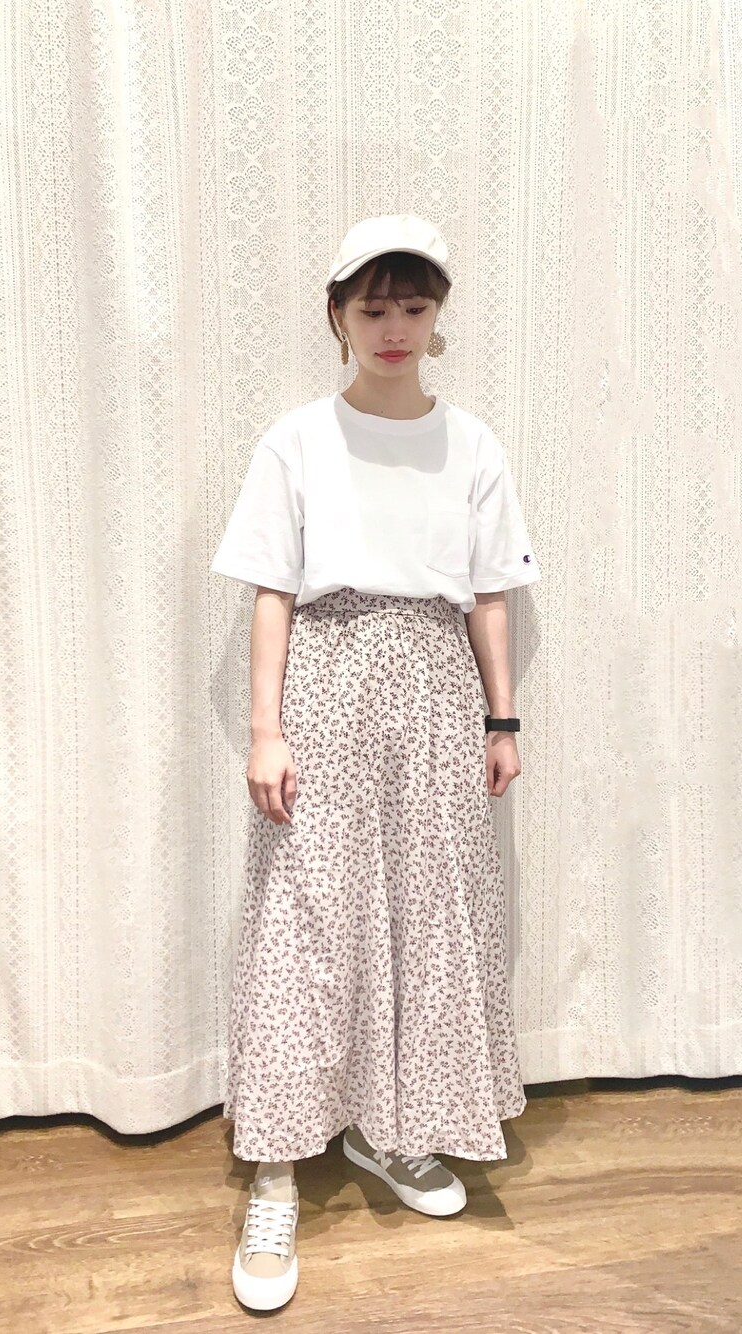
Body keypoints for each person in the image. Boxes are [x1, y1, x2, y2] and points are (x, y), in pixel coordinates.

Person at [209, 214, 542, 1313]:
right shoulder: (298, 441)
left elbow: (489, 594)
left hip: (437, 688)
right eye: (373, 306)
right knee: (308, 917)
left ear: (437, 317)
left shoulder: (472, 445)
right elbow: (272, 589)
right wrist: (266, 729)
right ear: (338, 316)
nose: (393, 326)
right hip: (328, 675)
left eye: (413, 305)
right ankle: (274, 1171)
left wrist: (501, 720)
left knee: (430, 910)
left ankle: (391, 1129)